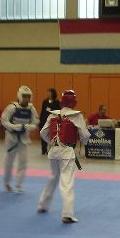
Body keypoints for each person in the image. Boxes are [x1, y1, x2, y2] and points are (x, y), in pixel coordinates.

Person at [38, 90, 91, 224]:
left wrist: (53, 142)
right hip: (67, 152)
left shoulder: (53, 115)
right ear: (74, 102)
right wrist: (80, 139)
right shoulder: (76, 116)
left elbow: (43, 132)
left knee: (53, 177)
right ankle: (67, 214)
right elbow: (85, 136)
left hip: (53, 151)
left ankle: (43, 204)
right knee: (67, 182)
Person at [0, 85, 39, 192]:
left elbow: (36, 122)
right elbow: (3, 120)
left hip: (23, 138)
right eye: (24, 96)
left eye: (28, 96)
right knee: (9, 161)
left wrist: (28, 127)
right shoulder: (12, 107)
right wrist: (13, 127)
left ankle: (18, 184)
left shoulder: (31, 109)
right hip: (11, 138)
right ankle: (7, 182)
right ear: (20, 96)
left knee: (23, 162)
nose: (26, 99)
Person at [39, 88, 60, 154]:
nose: (48, 93)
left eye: (50, 92)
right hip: (44, 119)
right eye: (48, 92)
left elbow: (57, 111)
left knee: (52, 135)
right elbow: (43, 111)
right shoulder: (45, 101)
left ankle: (51, 149)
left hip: (53, 120)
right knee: (43, 133)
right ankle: (44, 149)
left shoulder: (57, 102)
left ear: (53, 93)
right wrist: (40, 120)